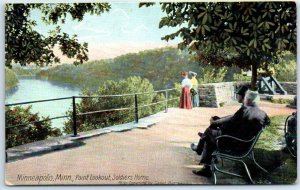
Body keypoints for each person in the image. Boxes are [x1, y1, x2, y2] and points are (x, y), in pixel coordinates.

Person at [192, 90, 270, 177]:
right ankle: (201, 148)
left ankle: (205, 165)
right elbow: (237, 123)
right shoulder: (263, 114)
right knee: (210, 134)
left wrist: (216, 123)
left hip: (234, 145)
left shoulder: (244, 111)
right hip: (246, 144)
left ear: (248, 100)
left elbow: (228, 126)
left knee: (210, 133)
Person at [191, 85, 249, 153]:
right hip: (235, 134)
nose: (237, 96)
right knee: (215, 119)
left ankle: (200, 145)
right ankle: (204, 136)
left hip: (232, 138)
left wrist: (217, 123)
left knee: (209, 131)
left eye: (238, 95)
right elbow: (233, 117)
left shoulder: (244, 110)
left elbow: (232, 120)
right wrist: (219, 120)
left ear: (242, 96)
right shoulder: (246, 108)